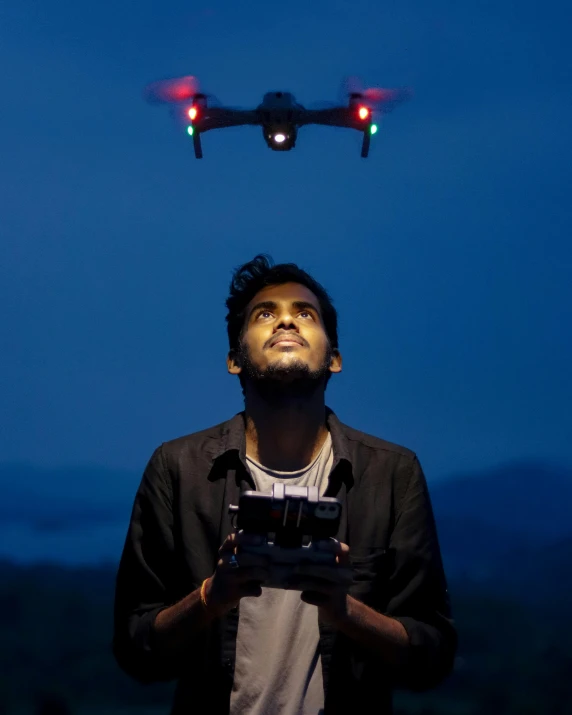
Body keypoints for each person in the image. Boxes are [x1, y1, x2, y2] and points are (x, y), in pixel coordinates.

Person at [113, 254, 457, 714]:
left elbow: (431, 656)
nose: (287, 321)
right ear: (235, 360)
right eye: (265, 313)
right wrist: (211, 597)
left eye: (305, 313)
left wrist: (344, 610)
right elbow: (135, 649)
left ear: (334, 358)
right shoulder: (178, 469)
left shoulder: (392, 475)